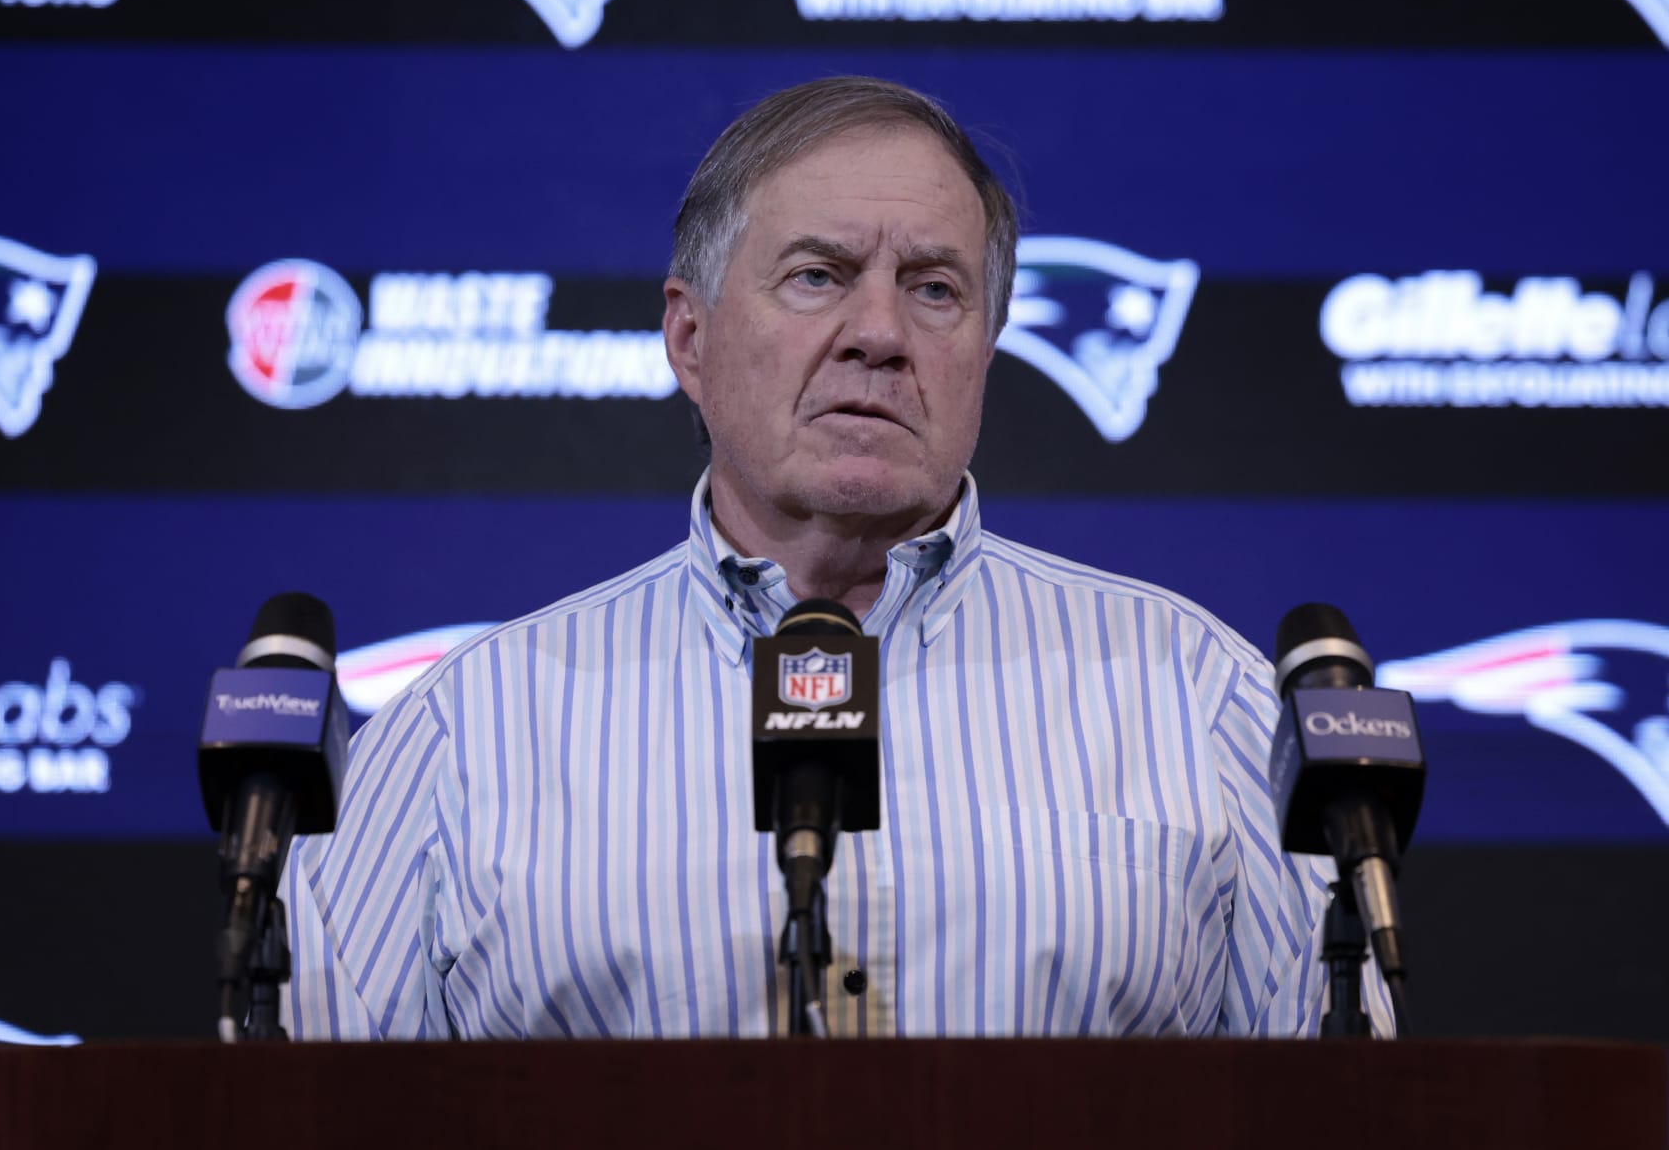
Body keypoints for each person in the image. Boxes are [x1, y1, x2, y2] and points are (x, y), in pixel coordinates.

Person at [283, 75, 1391, 1040]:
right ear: (691, 337)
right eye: (818, 274)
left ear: (986, 349)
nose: (880, 332)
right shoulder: (464, 734)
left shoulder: (1198, 696)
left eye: (935, 287)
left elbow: (1351, 1107)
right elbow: (304, 1116)